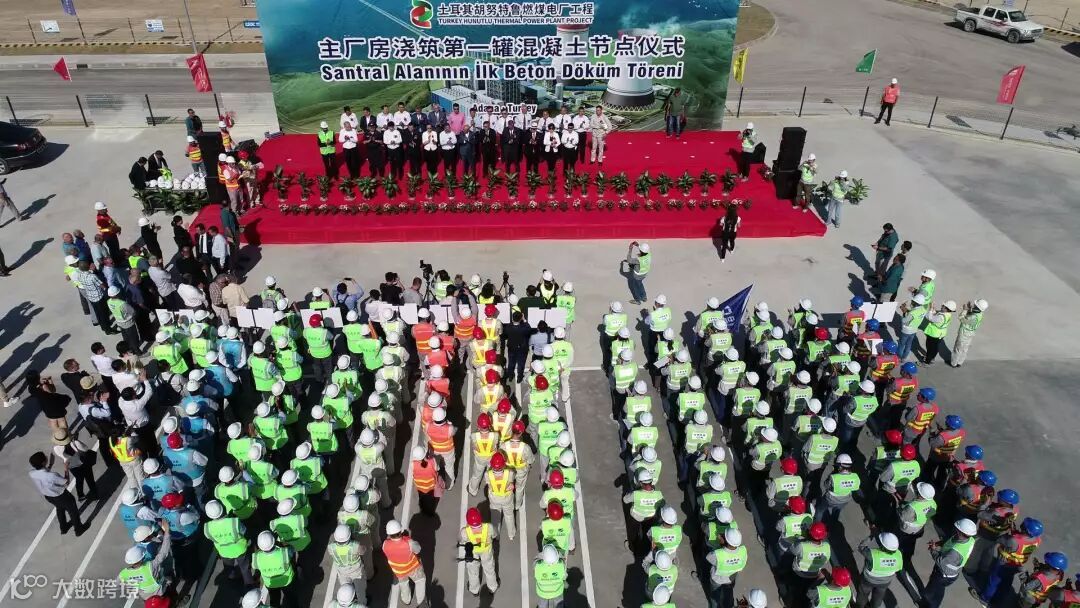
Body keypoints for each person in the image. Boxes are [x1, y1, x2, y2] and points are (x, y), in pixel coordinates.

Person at [922, 519, 977, 608]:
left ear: (961, 532)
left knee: (933, 592)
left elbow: (940, 561)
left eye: (957, 529)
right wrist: (938, 543)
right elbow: (950, 541)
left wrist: (932, 549)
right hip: (950, 574)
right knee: (938, 590)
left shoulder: (955, 553)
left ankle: (929, 604)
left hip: (943, 574)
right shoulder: (970, 540)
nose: (955, 529)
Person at [29, 451, 84, 535]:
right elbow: (66, 482)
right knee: (73, 511)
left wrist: (50, 464)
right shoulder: (53, 475)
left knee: (60, 509)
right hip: (61, 496)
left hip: (49, 496)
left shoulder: (32, 473)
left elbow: (44, 474)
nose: (46, 456)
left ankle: (63, 528)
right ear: (43, 462)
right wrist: (66, 469)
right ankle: (78, 530)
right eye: (45, 456)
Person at [383, 519, 427, 605]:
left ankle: (406, 600)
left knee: (403, 584)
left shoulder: (385, 544)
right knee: (420, 580)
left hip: (399, 571)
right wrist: (407, 538)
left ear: (388, 534)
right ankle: (421, 602)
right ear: (400, 531)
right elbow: (418, 550)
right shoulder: (409, 542)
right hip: (413, 568)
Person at [460, 507, 499, 595]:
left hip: (472, 552)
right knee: (489, 569)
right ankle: (492, 587)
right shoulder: (488, 527)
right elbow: (494, 535)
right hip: (486, 551)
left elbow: (463, 541)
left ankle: (474, 590)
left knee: (473, 572)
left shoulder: (464, 531)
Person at [51, 430, 98, 501]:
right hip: (83, 463)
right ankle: (95, 495)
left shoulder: (56, 448)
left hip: (71, 466)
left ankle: (80, 495)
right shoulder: (75, 443)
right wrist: (76, 440)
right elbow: (85, 448)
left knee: (79, 479)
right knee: (90, 479)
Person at [951, 299, 987, 368]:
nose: (974, 305)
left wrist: (964, 310)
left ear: (978, 307)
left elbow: (961, 318)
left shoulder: (973, 317)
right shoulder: (980, 314)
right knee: (965, 349)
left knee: (958, 348)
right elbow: (973, 312)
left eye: (975, 305)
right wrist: (970, 308)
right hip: (971, 334)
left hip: (964, 334)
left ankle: (954, 363)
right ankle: (960, 362)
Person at [922, 300, 956, 366]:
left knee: (930, 348)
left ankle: (927, 362)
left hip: (934, 334)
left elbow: (929, 317)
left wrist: (931, 309)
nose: (941, 306)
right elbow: (936, 315)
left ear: (946, 309)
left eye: (943, 306)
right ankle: (932, 358)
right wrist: (933, 309)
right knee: (935, 348)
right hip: (940, 334)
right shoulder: (947, 314)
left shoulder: (941, 317)